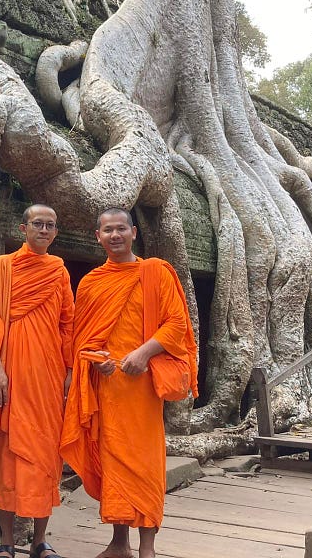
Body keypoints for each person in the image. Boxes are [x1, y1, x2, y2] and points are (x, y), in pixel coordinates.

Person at [61, 208, 198, 558]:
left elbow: (175, 325)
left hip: (142, 387)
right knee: (112, 461)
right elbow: (82, 339)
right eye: (107, 230)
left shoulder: (155, 273)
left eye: (121, 228)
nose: (115, 235)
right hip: (106, 388)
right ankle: (119, 542)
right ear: (98, 237)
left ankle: (147, 548)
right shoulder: (91, 283)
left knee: (145, 463)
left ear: (133, 232)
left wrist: (143, 353)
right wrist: (97, 361)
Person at [0, 205, 75, 558]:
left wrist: (69, 372)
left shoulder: (58, 271)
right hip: (7, 377)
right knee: (7, 459)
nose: (44, 230)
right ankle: (6, 541)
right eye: (37, 224)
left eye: (50, 225)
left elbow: (67, 323)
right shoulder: (1, 270)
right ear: (23, 228)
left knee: (45, 458)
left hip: (47, 379)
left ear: (56, 232)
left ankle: (40, 541)